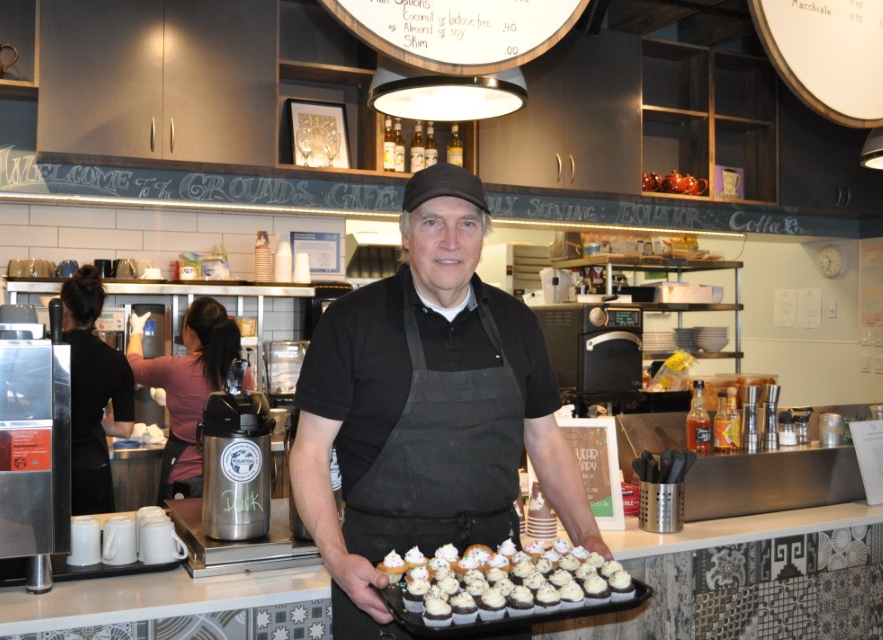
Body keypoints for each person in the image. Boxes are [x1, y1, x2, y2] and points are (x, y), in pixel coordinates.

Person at [290, 163, 613, 638]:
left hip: (498, 574)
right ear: (406, 235)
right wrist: (336, 558)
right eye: (432, 223)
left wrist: (588, 537)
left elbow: (545, 440)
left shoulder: (517, 322)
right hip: (382, 576)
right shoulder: (350, 321)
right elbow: (310, 452)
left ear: (482, 236)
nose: (451, 241)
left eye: (467, 224)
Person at [127, 296, 244, 502]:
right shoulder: (240, 372)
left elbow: (132, 367)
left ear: (190, 331)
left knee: (182, 524)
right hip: (230, 476)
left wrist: (137, 331)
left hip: (185, 478)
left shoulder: (175, 367)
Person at [60, 265, 136, 516]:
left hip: (48, 458)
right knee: (93, 534)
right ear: (97, 311)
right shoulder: (116, 361)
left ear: (64, 307)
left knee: (49, 536)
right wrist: (94, 418)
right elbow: (124, 429)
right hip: (92, 463)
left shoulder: (46, 350)